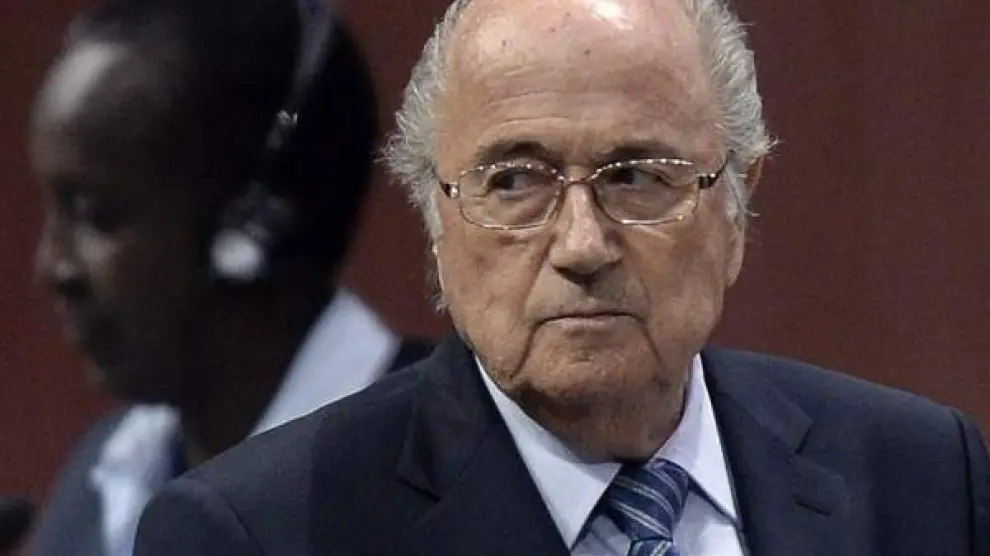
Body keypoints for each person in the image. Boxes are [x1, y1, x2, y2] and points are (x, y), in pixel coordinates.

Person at [133, 0, 990, 554]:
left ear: (736, 204)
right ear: (437, 222)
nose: (582, 245)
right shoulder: (257, 535)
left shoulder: (920, 478)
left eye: (638, 176)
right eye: (514, 181)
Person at [26, 0, 432, 554]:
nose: (53, 267)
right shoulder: (101, 479)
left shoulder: (456, 472)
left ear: (255, 226)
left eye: (96, 214)